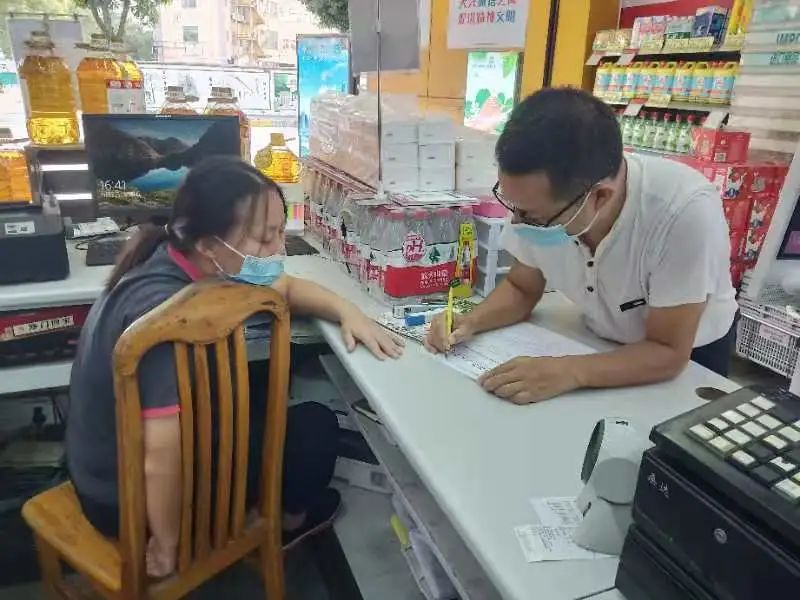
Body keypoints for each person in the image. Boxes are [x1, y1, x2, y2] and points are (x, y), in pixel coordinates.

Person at [66, 157, 403, 577]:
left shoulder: (180, 256)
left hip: (101, 470)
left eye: (279, 232)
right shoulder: (168, 317)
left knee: (259, 396)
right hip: (126, 503)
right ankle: (283, 526)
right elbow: (161, 454)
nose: (278, 250)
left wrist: (348, 311)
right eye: (264, 238)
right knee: (314, 427)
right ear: (210, 244)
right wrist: (167, 543)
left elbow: (286, 286)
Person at [426, 88, 737, 403]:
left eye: (533, 216)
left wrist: (571, 371)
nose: (518, 223)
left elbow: (667, 351)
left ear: (599, 197)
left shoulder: (683, 213)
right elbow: (522, 287)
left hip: (684, 362)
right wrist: (472, 321)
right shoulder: (539, 199)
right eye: (512, 206)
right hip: (594, 342)